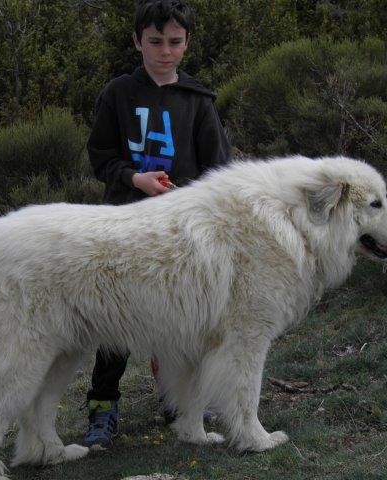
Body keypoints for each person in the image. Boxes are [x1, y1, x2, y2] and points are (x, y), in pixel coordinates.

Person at [84, 0, 231, 448]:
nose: (164, 52)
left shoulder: (199, 100)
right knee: (116, 323)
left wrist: (186, 196)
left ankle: (178, 404)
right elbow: (100, 158)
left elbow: (219, 169)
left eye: (174, 42)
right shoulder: (118, 94)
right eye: (154, 42)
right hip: (124, 222)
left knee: (177, 320)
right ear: (137, 42)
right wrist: (135, 178)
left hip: (180, 229)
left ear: (186, 43)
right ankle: (101, 409)